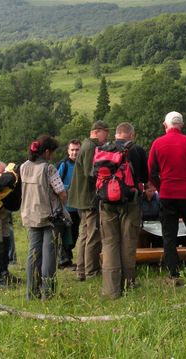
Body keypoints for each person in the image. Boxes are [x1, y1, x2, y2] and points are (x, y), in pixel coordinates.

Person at [148, 111, 186, 285]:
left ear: (165, 125)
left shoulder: (157, 143)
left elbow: (151, 171)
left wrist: (161, 187)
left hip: (167, 194)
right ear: (181, 125)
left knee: (169, 235)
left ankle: (173, 273)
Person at [99, 122, 148, 299]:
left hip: (106, 203)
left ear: (117, 134)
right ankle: (128, 284)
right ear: (131, 135)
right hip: (130, 201)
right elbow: (144, 177)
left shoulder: (104, 149)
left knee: (110, 244)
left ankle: (111, 290)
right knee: (128, 242)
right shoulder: (137, 150)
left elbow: (93, 176)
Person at [20, 135, 69, 300]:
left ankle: (31, 293)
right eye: (52, 152)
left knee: (33, 255)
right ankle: (48, 293)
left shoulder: (24, 166)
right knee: (49, 255)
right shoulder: (49, 168)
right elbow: (61, 192)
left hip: (30, 215)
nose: (53, 156)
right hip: (50, 217)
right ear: (47, 152)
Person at [69, 120, 109, 281]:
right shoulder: (91, 147)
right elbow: (90, 173)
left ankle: (81, 270)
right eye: (105, 131)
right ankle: (91, 271)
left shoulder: (86, 145)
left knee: (85, 235)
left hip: (82, 198)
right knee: (93, 235)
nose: (107, 136)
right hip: (88, 198)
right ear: (97, 131)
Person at [56, 139, 82, 269]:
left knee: (75, 234)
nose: (75, 152)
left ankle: (67, 258)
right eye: (72, 150)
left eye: (77, 150)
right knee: (66, 235)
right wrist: (69, 187)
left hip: (78, 206)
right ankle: (64, 261)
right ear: (68, 151)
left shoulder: (83, 164)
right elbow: (55, 183)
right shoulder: (64, 165)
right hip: (65, 207)